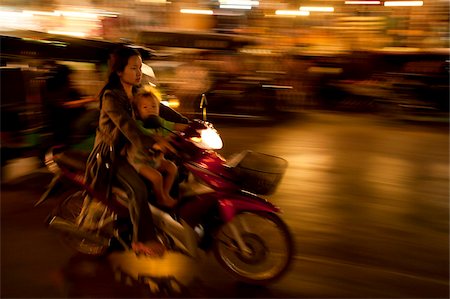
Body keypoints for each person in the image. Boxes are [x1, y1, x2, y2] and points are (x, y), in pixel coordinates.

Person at [84, 46, 165, 257]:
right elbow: (127, 126)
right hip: (110, 155)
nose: (138, 72)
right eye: (133, 68)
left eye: (140, 67)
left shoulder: (137, 92)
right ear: (120, 71)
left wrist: (187, 122)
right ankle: (142, 240)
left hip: (130, 151)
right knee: (138, 188)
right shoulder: (111, 96)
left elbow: (158, 106)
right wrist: (150, 142)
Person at [126, 85, 188, 209]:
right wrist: (159, 144)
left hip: (154, 160)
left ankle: (164, 193)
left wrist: (193, 126)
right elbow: (149, 139)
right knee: (157, 177)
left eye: (154, 106)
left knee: (172, 168)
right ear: (138, 111)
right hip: (139, 161)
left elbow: (175, 126)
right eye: (145, 107)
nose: (150, 110)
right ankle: (161, 198)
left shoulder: (159, 122)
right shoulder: (139, 125)